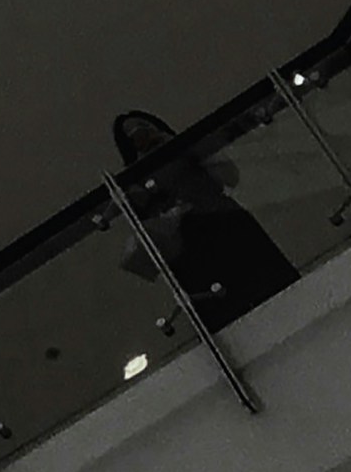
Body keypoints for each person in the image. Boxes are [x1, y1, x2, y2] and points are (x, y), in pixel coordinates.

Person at [113, 107, 297, 326]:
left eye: (145, 128)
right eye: (134, 135)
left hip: (224, 221)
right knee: (229, 310)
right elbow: (141, 217)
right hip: (190, 245)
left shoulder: (184, 148)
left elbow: (230, 176)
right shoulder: (135, 182)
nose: (143, 136)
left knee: (272, 282)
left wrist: (181, 146)